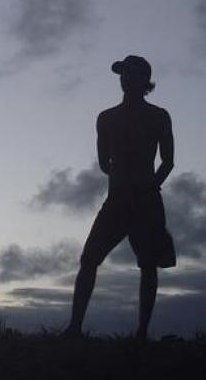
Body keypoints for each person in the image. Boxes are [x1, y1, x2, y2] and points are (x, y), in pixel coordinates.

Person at [64, 55, 175, 339]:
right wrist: (131, 179)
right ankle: (74, 328)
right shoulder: (106, 118)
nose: (124, 79)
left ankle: (141, 333)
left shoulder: (158, 116)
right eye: (122, 74)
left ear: (143, 81)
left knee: (148, 265)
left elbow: (167, 161)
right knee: (89, 258)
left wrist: (150, 186)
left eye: (130, 74)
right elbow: (104, 162)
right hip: (119, 199)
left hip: (143, 199)